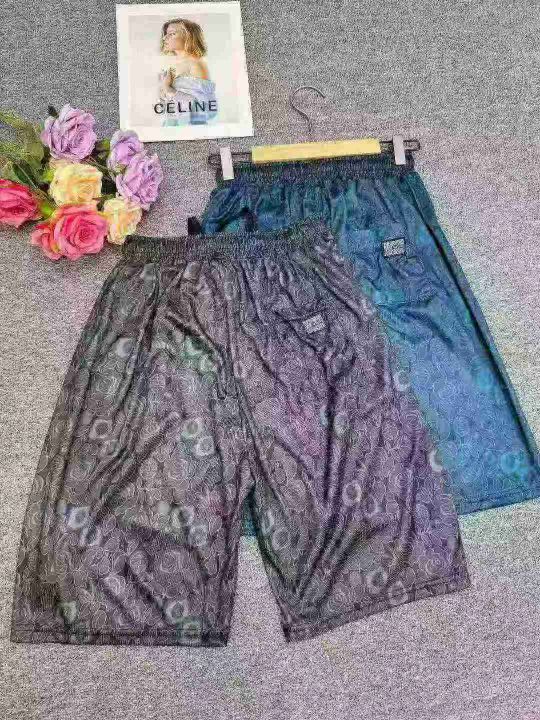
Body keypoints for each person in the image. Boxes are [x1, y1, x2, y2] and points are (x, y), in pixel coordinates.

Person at [158, 18, 218, 126]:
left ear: (188, 37)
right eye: (166, 34)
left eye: (172, 34)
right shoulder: (170, 66)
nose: (164, 38)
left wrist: (168, 89)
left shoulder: (196, 64)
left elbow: (207, 110)